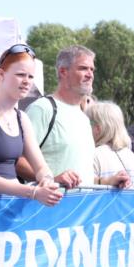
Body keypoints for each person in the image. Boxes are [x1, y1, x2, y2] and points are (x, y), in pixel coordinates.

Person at [0, 44, 62, 207]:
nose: (26, 81)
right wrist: (33, 192)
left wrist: (47, 180)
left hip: (10, 204)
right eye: (20, 75)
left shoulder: (22, 118)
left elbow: (41, 167)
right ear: (1, 74)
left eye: (31, 76)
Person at [16, 45, 97, 189]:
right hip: (49, 202)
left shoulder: (83, 117)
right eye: (83, 68)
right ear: (63, 72)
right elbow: (17, 161)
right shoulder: (42, 109)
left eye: (92, 69)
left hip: (83, 202)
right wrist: (51, 179)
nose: (90, 74)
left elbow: (82, 174)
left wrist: (107, 181)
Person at [87, 101, 134, 189]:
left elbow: (84, 188)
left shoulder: (92, 155)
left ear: (97, 128)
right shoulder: (131, 156)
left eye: (88, 123)